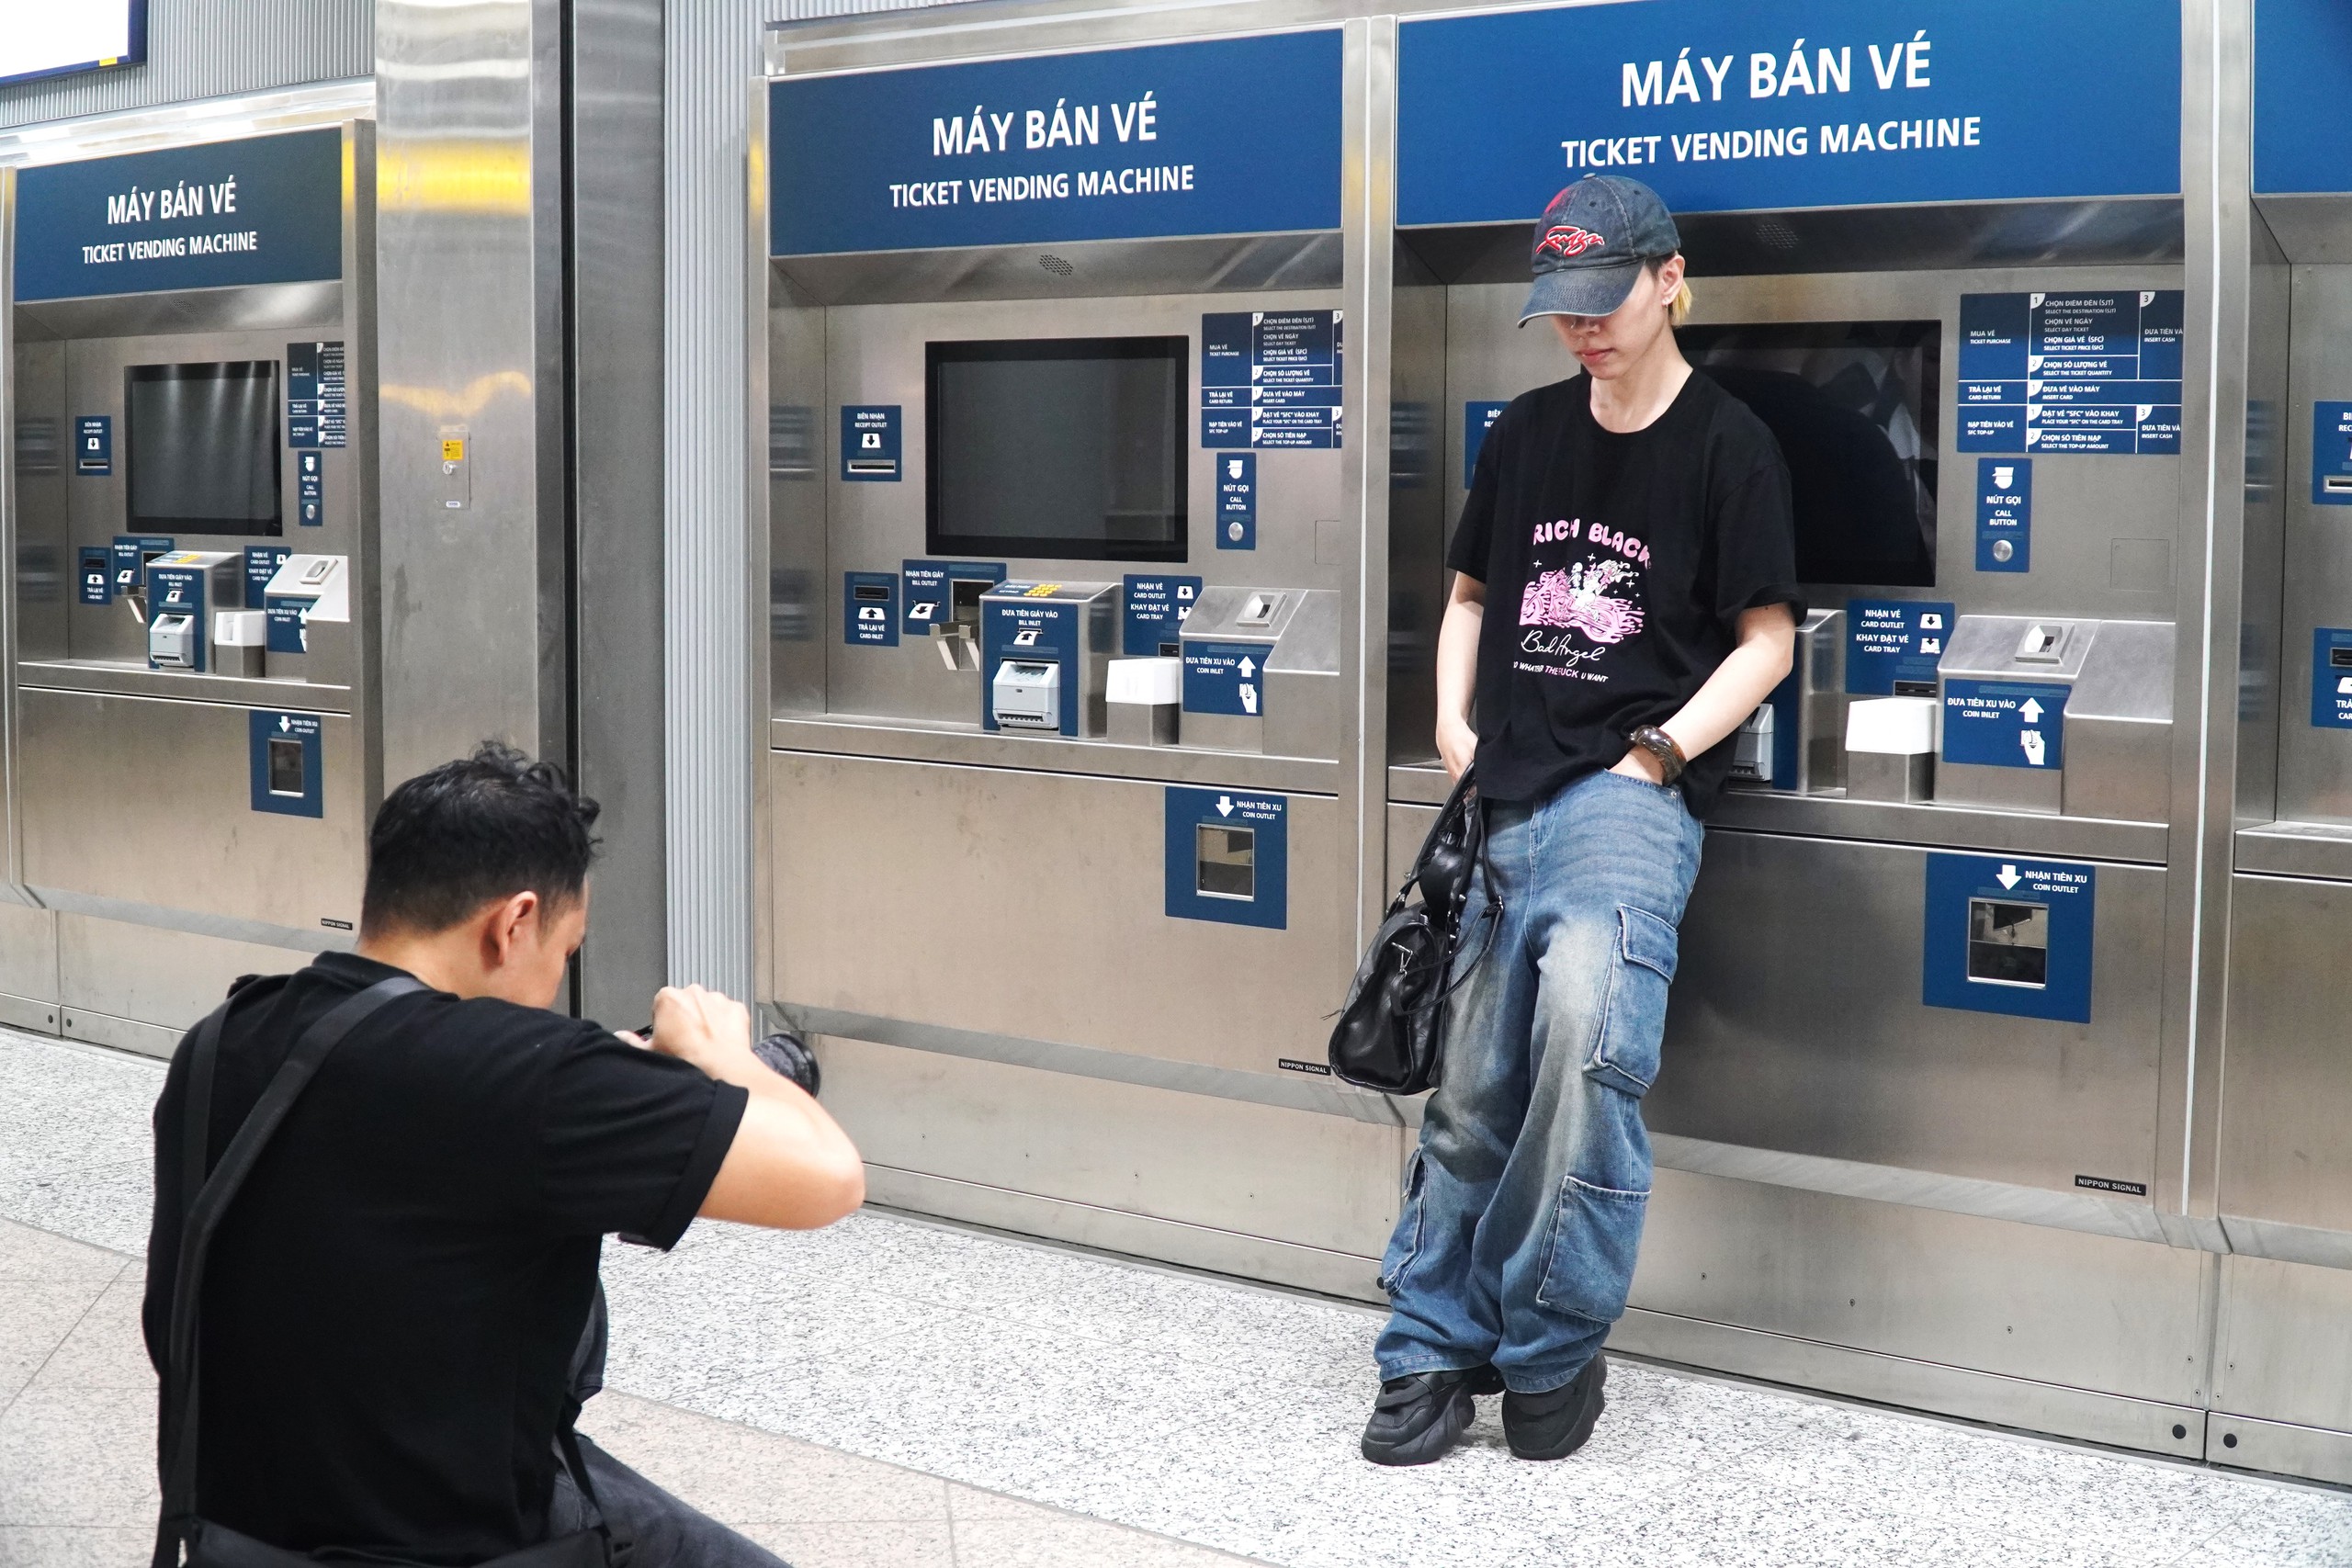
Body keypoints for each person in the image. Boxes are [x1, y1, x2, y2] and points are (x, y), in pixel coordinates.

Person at [142, 743, 867, 1563]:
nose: (557, 982)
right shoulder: (526, 1077)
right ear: (514, 921)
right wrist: (726, 1055)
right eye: (565, 951)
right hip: (451, 1539)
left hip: (239, 1534)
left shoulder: (220, 1040)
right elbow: (829, 1176)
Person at [1362, 175, 1801, 1467]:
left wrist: (1656, 756)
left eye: (1605, 302)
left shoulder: (1732, 445)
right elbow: (1468, 596)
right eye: (1563, 311)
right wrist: (1451, 722)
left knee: (1584, 1039)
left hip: (1625, 793)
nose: (1584, 330)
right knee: (1470, 1083)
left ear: (1672, 279)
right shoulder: (1525, 433)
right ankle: (1432, 1344)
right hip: (1502, 785)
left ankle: (1549, 1339)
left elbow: (1767, 638)